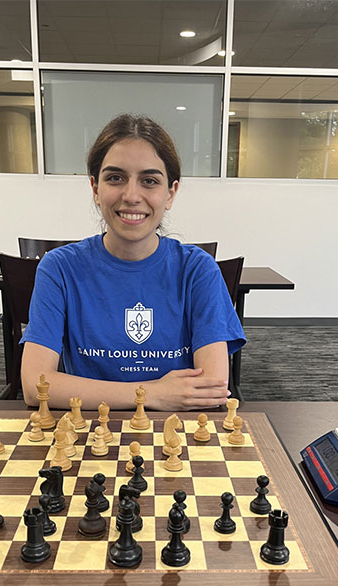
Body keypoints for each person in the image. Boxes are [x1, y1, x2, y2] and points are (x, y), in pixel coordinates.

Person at [20, 113, 245, 411]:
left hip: (177, 439)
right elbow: (35, 386)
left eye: (149, 181)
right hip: (87, 434)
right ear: (96, 189)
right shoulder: (59, 269)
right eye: (115, 178)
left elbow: (211, 388)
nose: (131, 195)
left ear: (170, 193)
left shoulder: (198, 270)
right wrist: (150, 393)